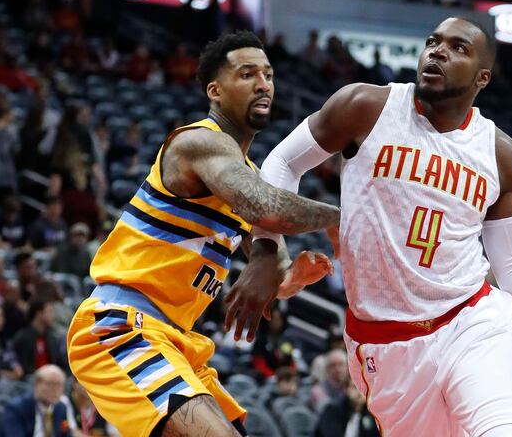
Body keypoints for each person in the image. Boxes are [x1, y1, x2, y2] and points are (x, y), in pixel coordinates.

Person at [253, 16, 512, 436]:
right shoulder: (366, 106)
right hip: (385, 345)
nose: (438, 50)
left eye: (459, 47)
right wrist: (266, 251)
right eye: (433, 41)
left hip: (471, 322)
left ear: (482, 77)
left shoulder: (499, 153)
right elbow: (282, 162)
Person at [66, 31, 340, 437]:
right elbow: (266, 208)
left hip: (177, 339)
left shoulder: (242, 172)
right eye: (247, 74)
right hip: (120, 324)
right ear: (215, 90)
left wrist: (287, 277)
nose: (263, 83)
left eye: (268, 74)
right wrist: (340, 216)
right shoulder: (199, 143)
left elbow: (270, 254)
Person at [1, 364, 72, 437]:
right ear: (37, 383)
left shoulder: (61, 408)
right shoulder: (16, 408)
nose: (56, 390)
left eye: (59, 384)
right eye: (51, 384)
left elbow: (66, 434)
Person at [13, 298, 68, 376]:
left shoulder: (53, 337)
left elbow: (59, 362)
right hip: (31, 380)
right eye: (49, 311)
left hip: (52, 377)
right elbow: (24, 367)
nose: (53, 315)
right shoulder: (23, 338)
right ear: (39, 313)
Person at [315, 380, 381, 437]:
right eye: (355, 387)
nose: (359, 392)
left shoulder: (373, 414)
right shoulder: (332, 410)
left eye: (364, 388)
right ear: (346, 389)